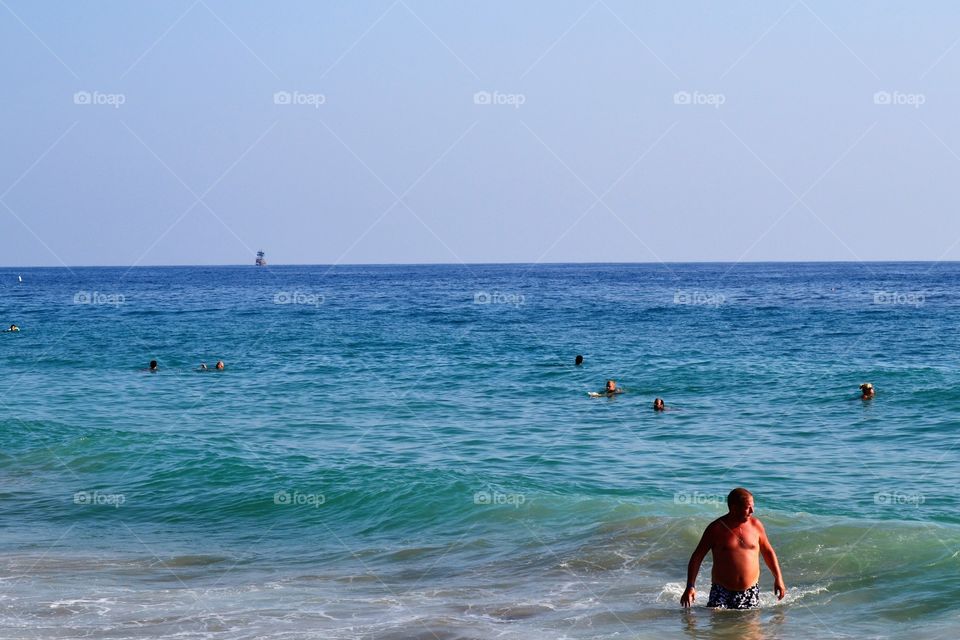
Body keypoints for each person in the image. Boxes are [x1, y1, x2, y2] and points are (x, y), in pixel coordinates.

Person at [680, 488, 786, 610]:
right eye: (748, 507)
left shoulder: (756, 525)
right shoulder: (716, 528)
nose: (752, 511)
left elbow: (768, 552)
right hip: (721, 591)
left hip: (749, 591)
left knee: (750, 629)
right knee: (718, 628)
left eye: (753, 506)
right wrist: (690, 586)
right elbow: (697, 557)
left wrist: (778, 578)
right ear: (734, 508)